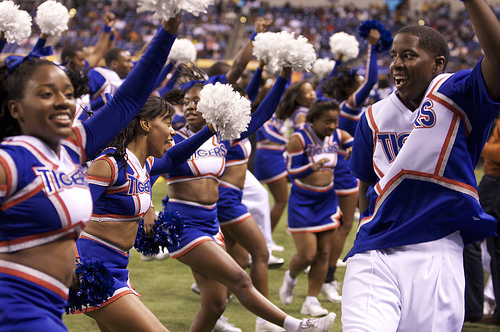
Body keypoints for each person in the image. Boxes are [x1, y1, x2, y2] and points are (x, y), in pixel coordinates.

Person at [0, 15, 181, 331]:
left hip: (48, 306)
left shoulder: (72, 148)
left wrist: (168, 30)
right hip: (16, 307)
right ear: (15, 108)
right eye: (47, 94)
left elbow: (128, 100)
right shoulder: (10, 161)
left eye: (68, 93)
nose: (63, 102)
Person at [344, 0, 500, 330]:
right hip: (374, 251)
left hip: (436, 249)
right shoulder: (372, 117)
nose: (397, 65)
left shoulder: (458, 93)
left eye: (409, 56)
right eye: (394, 56)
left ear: (437, 64)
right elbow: (365, 185)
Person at [164, 67, 336, 332]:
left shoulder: (221, 139)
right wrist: (148, 212)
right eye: (186, 102)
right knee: (240, 277)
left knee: (215, 305)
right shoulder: (171, 139)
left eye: (197, 101)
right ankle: (297, 326)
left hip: (211, 226)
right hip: (185, 227)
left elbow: (262, 113)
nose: (190, 107)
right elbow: (147, 169)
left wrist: (284, 73)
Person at [72, 95, 216, 331]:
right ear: (146, 124)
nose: (172, 131)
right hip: (95, 268)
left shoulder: (144, 164)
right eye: (168, 122)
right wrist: (71, 260)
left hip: (119, 267)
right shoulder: (109, 164)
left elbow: (171, 159)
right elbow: (74, 213)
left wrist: (209, 130)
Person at [318, 27, 382, 304]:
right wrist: (372, 47)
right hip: (346, 172)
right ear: (349, 87)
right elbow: (371, 81)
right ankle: (328, 278)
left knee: (340, 225)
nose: (360, 83)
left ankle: (323, 273)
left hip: (345, 169)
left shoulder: (341, 104)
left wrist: (340, 59)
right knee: (344, 226)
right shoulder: (349, 106)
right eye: (355, 80)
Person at [279, 100, 352, 317]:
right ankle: (291, 278)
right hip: (303, 202)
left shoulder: (338, 135)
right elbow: (291, 173)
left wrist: (351, 148)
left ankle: (311, 301)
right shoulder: (299, 139)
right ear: (314, 120)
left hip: (327, 201)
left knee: (324, 253)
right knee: (308, 255)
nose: (332, 126)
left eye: (335, 121)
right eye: (327, 121)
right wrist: (310, 167)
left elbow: (356, 141)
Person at [254, 79, 317, 236]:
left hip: (276, 157)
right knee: (281, 200)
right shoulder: (262, 114)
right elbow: (268, 133)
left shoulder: (276, 115)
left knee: (280, 199)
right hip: (268, 158)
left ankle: (265, 236)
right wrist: (289, 142)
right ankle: (265, 238)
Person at [477, 117, 500, 325]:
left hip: (495, 183)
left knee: (489, 244)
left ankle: (484, 301)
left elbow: (497, 152)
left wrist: (481, 146)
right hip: (491, 180)